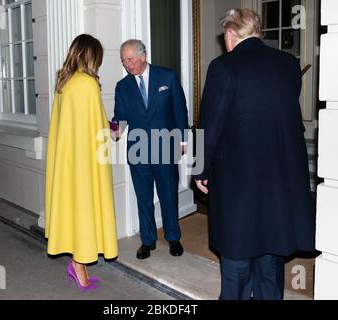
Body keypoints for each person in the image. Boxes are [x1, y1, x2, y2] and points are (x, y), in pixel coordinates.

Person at [194, 9, 315, 300]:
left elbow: (209, 128)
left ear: (230, 36)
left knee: (237, 256)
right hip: (279, 177)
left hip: (239, 180)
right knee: (270, 256)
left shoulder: (223, 67)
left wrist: (201, 170)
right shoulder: (289, 64)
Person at [45, 34, 118, 291]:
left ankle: (79, 263)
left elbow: (68, 125)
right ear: (90, 55)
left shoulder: (64, 83)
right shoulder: (86, 84)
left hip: (68, 158)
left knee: (74, 206)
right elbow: (95, 124)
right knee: (86, 205)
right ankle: (78, 264)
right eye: (97, 57)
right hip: (86, 159)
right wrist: (110, 128)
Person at [112, 39, 188, 259]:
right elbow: (120, 116)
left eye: (130, 59)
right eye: (124, 60)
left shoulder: (167, 77)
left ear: (143, 56)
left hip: (166, 146)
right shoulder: (122, 86)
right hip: (138, 150)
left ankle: (173, 238)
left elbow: (179, 109)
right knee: (143, 197)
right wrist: (115, 129)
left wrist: (183, 139)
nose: (127, 64)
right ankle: (148, 240)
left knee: (168, 194)